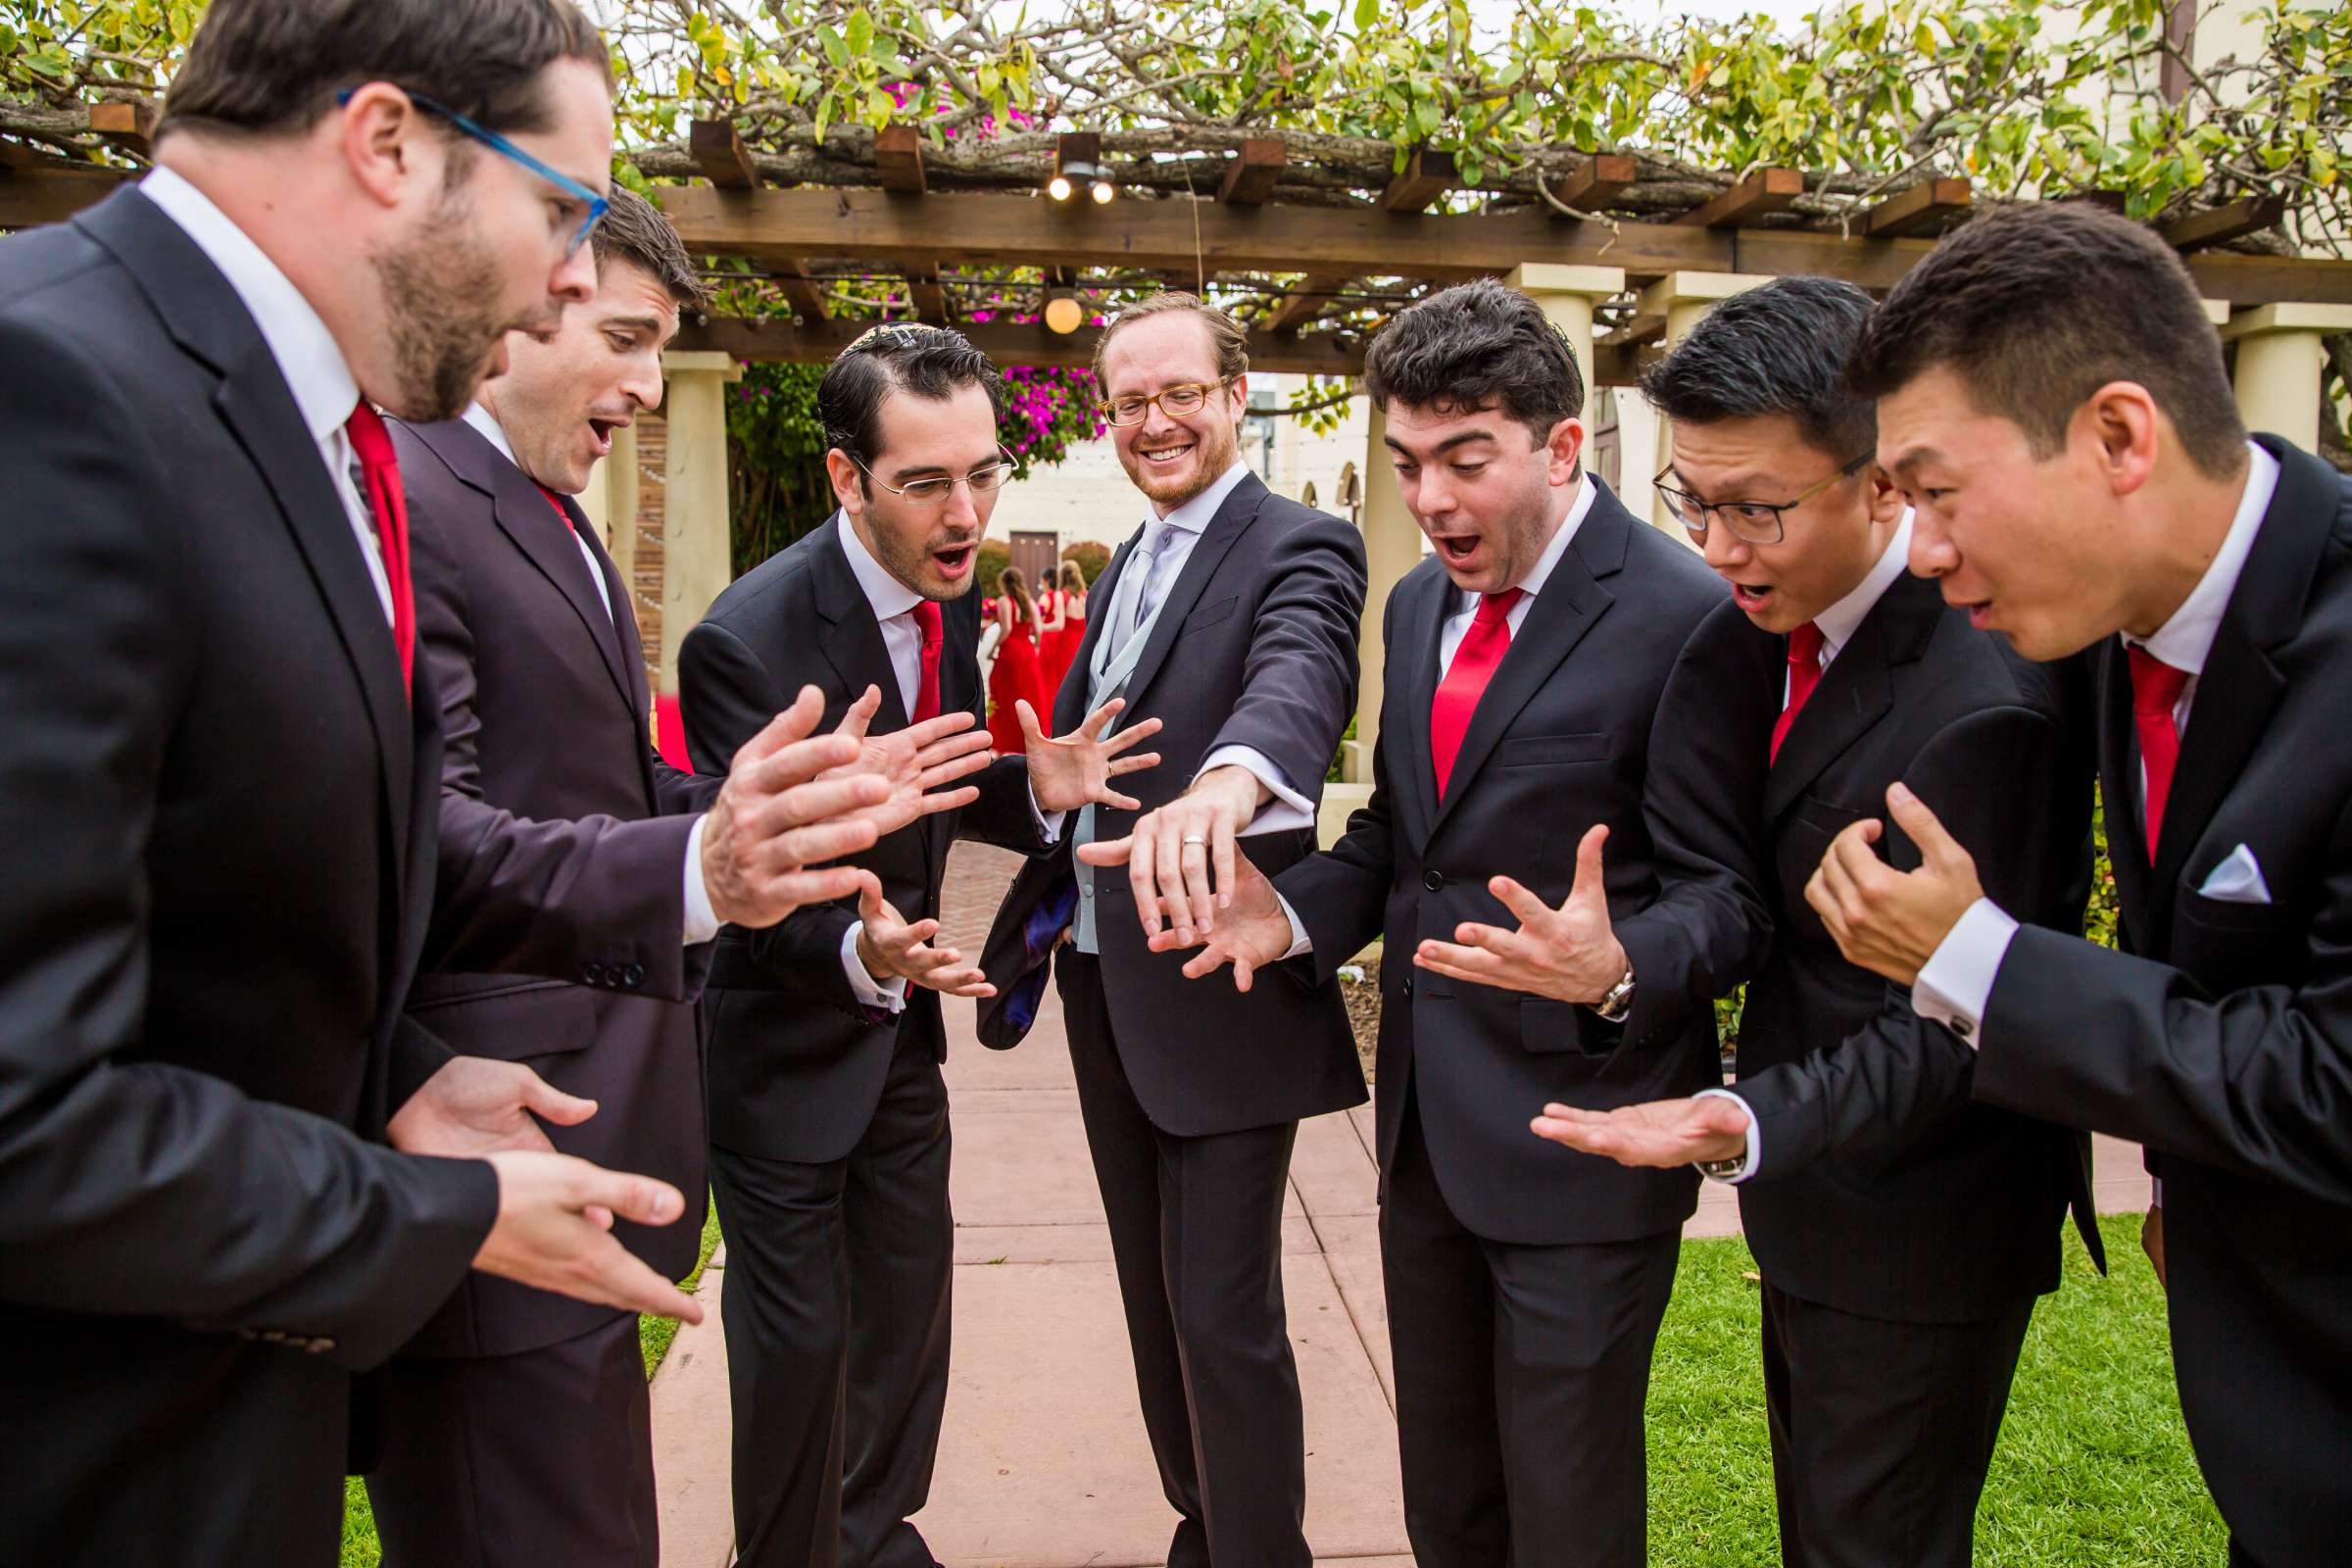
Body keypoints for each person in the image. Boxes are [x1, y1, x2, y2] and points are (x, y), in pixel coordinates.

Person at [0, 3, 864, 1562]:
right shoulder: (45, 384)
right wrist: (442, 1217)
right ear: (389, 142)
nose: (561, 281)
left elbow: (221, 893)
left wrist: (392, 1066)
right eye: (561, 211)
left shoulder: (293, 427)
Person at [364, 190, 991, 1568]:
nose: (649, 387)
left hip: (585, 1147)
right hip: (496, 1137)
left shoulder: (550, 509)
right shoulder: (412, 493)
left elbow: (600, 792)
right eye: (629, 337)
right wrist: (711, 864)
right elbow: (405, 838)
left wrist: (768, 814)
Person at [1135, 278, 1752, 1568]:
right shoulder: (1413, 603)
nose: (1429, 501)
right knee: (1450, 1515)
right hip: (1423, 1151)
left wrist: (1620, 967)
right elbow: (1399, 838)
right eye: (1407, 463)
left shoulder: (1687, 616)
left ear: (1563, 446)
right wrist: (1288, 917)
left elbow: (1729, 896)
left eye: (1465, 462)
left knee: (1568, 1525)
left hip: (1585, 1151)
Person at [1798, 201, 2352, 1568]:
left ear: (2118, 434)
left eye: (1936, 492)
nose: (1922, 553)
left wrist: (1976, 959)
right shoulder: (2116, 625)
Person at [1526, 275, 2105, 1568]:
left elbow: (1964, 1025)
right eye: (1697, 502)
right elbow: (1730, 890)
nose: (1720, 547)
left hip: (1925, 1220)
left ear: (1886, 484)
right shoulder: (1756, 632)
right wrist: (1622, 963)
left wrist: (1746, 1117)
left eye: (1758, 511)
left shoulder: (1981, 697)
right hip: (1819, 1200)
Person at [678, 322, 1162, 1568]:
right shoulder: (746, 639)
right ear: (849, 479)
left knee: (904, 1339)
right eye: (927, 482)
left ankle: (873, 1538)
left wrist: (1036, 787)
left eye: (984, 474)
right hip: (783, 1050)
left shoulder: (943, 612)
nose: (967, 512)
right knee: (795, 1366)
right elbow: (747, 885)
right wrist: (859, 949)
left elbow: (930, 786)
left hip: (902, 1044)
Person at [978, 293, 1368, 1568]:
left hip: (1217, 970)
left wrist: (1231, 783)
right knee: (1157, 1307)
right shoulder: (1136, 558)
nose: (1156, 421)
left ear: (1236, 392)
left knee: (1221, 1311)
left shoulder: (1299, 542)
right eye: (1131, 400)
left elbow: (1298, 674)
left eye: (1181, 393)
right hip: (1102, 979)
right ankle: (1204, 1531)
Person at [987, 564, 1047, 755]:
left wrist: (992, 648)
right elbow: (1038, 630)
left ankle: (1006, 740)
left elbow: (1006, 630)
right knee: (1029, 695)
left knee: (1005, 695)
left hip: (1010, 651)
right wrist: (1035, 646)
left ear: (1004, 583)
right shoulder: (1029, 602)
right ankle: (1028, 740)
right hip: (1027, 651)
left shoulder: (1005, 601)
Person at [1042, 558, 1091, 697]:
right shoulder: (1086, 595)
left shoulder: (1060, 595)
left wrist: (1041, 626)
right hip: (1083, 643)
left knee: (1063, 683)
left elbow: (1059, 624)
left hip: (1065, 644)